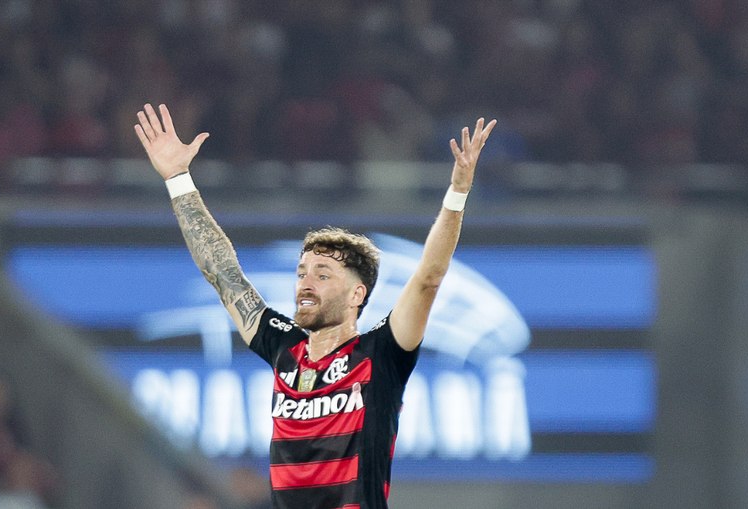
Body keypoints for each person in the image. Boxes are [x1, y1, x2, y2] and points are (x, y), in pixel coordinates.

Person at [135, 103, 495, 509]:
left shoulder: (383, 353)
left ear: (358, 295)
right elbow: (223, 274)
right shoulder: (284, 347)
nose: (305, 283)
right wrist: (179, 180)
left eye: (322, 274)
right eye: (302, 272)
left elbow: (429, 277)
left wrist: (457, 193)